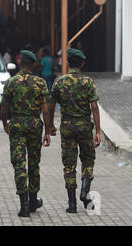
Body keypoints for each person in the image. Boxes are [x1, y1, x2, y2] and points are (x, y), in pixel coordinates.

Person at [49, 48, 101, 213]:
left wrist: (50, 125)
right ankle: (84, 193)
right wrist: (98, 131)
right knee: (87, 161)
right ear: (82, 64)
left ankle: (72, 205)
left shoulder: (59, 81)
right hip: (85, 127)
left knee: (69, 165)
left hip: (67, 127)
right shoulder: (88, 82)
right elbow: (94, 107)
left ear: (67, 63)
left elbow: (51, 105)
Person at [1, 50, 51, 218]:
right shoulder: (40, 82)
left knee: (19, 163)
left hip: (16, 124)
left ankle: (23, 206)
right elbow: (45, 109)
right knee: (33, 163)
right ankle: (33, 200)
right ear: (34, 64)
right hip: (34, 125)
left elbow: (4, 108)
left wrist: (5, 124)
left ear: (20, 62)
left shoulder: (11, 82)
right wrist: (48, 130)